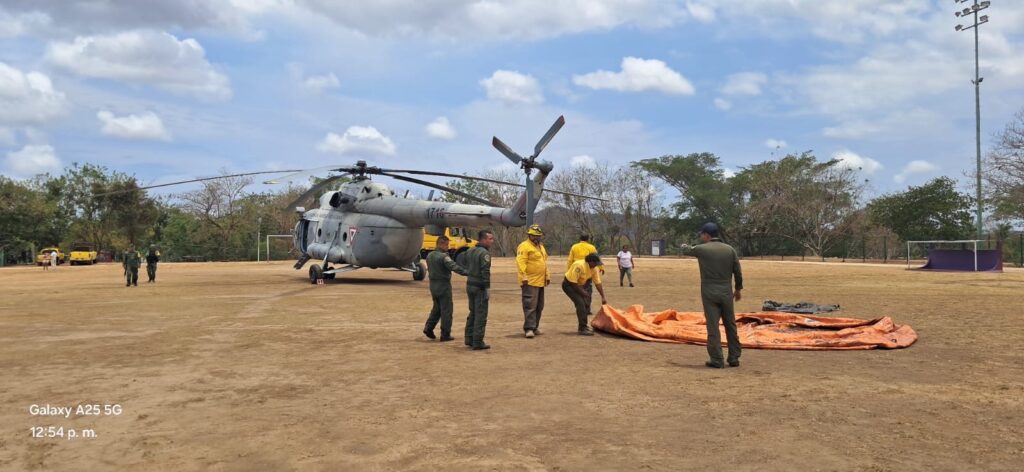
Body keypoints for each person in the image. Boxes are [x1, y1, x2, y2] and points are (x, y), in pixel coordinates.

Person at [680, 223, 744, 369]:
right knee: (730, 324)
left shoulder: (701, 249)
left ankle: (717, 358)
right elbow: (737, 271)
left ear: (707, 235)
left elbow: (687, 250)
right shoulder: (730, 249)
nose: (701, 237)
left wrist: (684, 245)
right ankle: (734, 357)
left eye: (702, 234)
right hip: (726, 290)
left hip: (709, 290)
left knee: (713, 325)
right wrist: (738, 288)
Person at [423, 236, 467, 342]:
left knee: (437, 308)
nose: (448, 247)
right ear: (441, 244)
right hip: (443, 285)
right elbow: (454, 267)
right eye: (446, 244)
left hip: (433, 286)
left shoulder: (430, 256)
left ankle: (428, 327)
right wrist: (468, 272)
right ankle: (445, 334)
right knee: (446, 310)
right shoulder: (443, 257)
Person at [561, 253, 608, 335]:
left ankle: (584, 326)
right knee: (580, 303)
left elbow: (597, 283)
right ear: (590, 262)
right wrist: (583, 292)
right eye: (596, 263)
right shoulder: (579, 265)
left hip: (579, 285)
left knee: (586, 304)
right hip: (569, 285)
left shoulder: (594, 268)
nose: (597, 265)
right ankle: (582, 328)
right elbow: (573, 282)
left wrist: (603, 296)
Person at [517, 224, 550, 338]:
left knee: (539, 306)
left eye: (539, 236)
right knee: (530, 305)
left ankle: (535, 326)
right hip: (529, 281)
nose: (537, 238)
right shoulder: (524, 246)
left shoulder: (540, 246)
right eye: (535, 236)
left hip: (540, 281)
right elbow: (521, 262)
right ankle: (529, 328)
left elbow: (544, 263)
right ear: (529, 235)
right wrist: (524, 276)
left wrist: (547, 276)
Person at [464, 230, 494, 350]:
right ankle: (477, 341)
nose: (492, 241)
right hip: (480, 287)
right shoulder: (484, 254)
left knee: (473, 312)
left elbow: (465, 264)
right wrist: (487, 287)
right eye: (490, 239)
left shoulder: (470, 251)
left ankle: (469, 338)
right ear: (483, 239)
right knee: (481, 314)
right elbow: (485, 272)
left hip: (470, 285)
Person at [567, 234, 599, 314]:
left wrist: (569, 270)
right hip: (588, 269)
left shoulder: (574, 247)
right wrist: (601, 267)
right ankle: (587, 309)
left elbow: (570, 260)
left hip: (576, 271)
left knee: (577, 290)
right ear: (588, 239)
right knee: (588, 289)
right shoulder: (591, 247)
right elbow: (596, 258)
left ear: (580, 238)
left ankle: (580, 308)